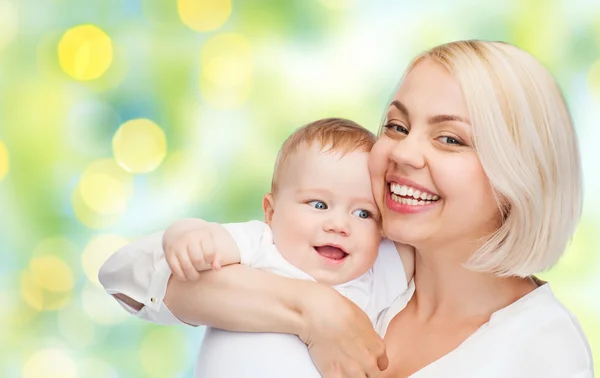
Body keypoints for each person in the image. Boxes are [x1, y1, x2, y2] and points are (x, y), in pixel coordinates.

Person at [99, 40, 593, 377]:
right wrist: (315, 311)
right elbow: (132, 277)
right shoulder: (361, 254)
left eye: (449, 138)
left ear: (519, 174)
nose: (403, 153)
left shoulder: (544, 349)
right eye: (397, 127)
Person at [99, 118, 415, 377]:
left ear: (382, 232)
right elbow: (197, 244)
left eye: (363, 213)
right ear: (271, 212)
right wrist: (184, 233)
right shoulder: (260, 244)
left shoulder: (371, 277)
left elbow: (430, 246)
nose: (339, 224)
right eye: (318, 204)